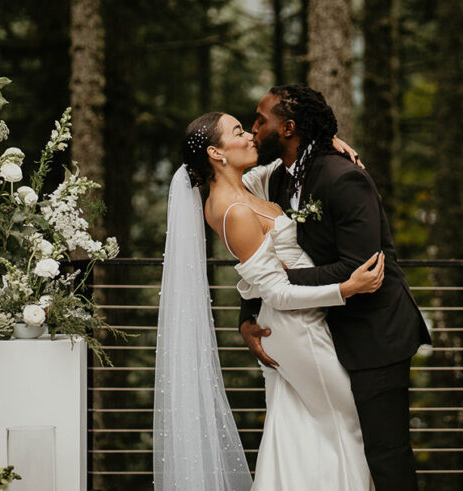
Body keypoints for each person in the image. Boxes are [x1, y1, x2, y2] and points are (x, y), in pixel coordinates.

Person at [154, 110, 383, 490]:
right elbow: (275, 290)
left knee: (294, 432)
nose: (250, 137)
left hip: (297, 322)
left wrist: (329, 145)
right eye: (238, 132)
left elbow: (281, 164)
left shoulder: (246, 187)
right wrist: (345, 289)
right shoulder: (234, 211)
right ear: (216, 152)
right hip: (296, 328)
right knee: (351, 423)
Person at [240, 84, 432, 491]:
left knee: (385, 452)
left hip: (374, 333)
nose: (253, 130)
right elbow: (260, 246)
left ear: (288, 128)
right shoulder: (276, 179)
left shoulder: (345, 178)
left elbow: (358, 268)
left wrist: (273, 284)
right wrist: (249, 315)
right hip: (319, 335)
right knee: (337, 444)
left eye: (261, 121)